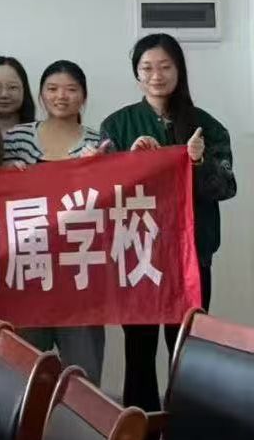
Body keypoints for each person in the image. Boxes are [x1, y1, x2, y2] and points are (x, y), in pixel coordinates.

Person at [99, 34, 236, 412]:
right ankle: (138, 432)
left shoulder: (206, 126)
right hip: (138, 254)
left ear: (179, 71)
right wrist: (131, 162)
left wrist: (196, 162)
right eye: (147, 68)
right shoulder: (118, 124)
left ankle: (187, 432)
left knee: (187, 348)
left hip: (191, 257)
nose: (156, 76)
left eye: (165, 67)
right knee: (139, 350)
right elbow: (104, 192)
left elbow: (226, 188)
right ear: (136, 74)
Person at [3, 60, 107, 380]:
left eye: (71, 89)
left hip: (80, 274)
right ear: (40, 95)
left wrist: (99, 172)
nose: (61, 96)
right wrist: (2, 174)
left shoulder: (98, 142)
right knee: (21, 374)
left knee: (84, 377)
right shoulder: (17, 137)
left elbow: (112, 205)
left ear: (84, 97)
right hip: (28, 270)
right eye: (52, 89)